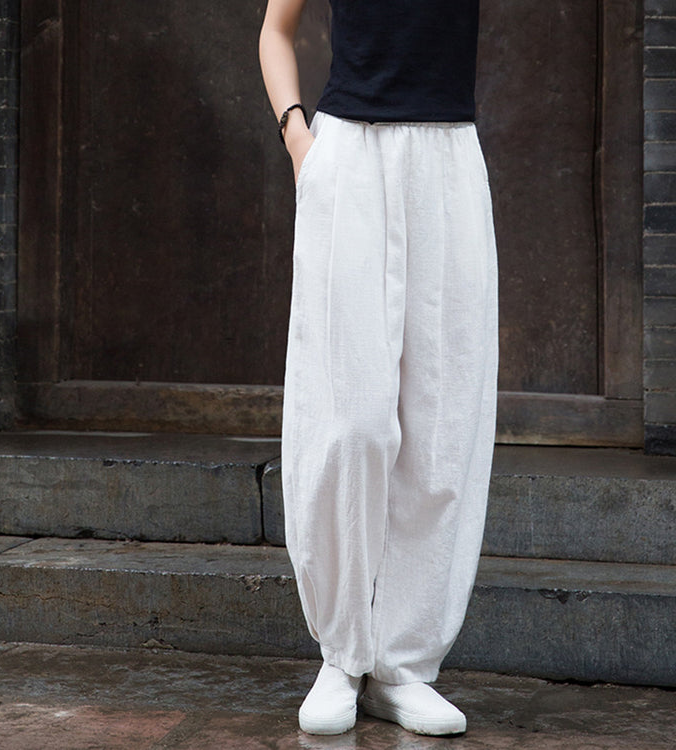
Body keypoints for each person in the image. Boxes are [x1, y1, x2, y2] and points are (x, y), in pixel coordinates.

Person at [259, 0, 498, 737]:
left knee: (441, 420)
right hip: (349, 155)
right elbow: (275, 30)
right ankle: (341, 654)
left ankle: (403, 665)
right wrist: (299, 140)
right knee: (349, 420)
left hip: (448, 159)